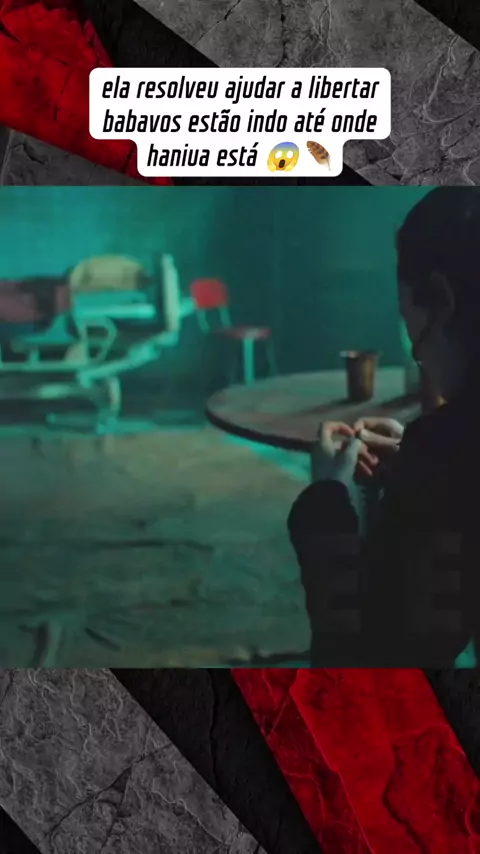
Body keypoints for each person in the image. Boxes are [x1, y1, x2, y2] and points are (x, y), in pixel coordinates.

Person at [288, 187, 480, 668]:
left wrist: (328, 496)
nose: (417, 349)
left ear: (442, 299)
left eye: (406, 315)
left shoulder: (444, 453)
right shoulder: (439, 453)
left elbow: (370, 661)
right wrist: (416, 469)